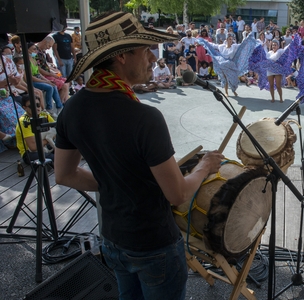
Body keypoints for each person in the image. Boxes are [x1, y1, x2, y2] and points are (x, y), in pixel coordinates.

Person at [55, 12, 224, 299]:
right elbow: (178, 194)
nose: (152, 58)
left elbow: (65, 174)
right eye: (145, 49)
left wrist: (113, 181)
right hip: (153, 244)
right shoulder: (145, 117)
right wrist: (205, 166)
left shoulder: (72, 109)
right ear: (121, 56)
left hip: (111, 239)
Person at [197, 33, 258, 97]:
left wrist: (247, 38)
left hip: (231, 65)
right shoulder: (221, 46)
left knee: (232, 79)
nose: (231, 40)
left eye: (231, 39)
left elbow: (242, 45)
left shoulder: (234, 46)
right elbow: (212, 45)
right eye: (229, 39)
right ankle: (226, 92)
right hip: (223, 64)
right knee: (225, 77)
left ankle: (233, 90)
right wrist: (204, 41)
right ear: (226, 39)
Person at [249, 35, 304, 103]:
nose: (274, 46)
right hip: (270, 70)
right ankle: (272, 98)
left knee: (278, 86)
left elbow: (287, 51)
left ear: (278, 46)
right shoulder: (269, 53)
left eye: (275, 45)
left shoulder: (280, 51)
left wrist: (293, 43)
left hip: (278, 71)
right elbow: (264, 58)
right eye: (273, 45)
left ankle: (281, 98)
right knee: (271, 85)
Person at [15, 94, 56, 164]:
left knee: (68, 150)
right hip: (29, 152)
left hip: (45, 145)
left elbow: (57, 128)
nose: (37, 108)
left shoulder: (44, 115)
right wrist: (49, 138)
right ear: (24, 108)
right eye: (32, 106)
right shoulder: (24, 121)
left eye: (38, 105)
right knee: (56, 158)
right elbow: (33, 147)